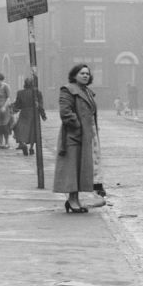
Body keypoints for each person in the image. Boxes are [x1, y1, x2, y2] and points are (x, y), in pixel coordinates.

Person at [54, 64, 102, 213]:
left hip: (88, 135)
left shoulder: (87, 92)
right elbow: (65, 112)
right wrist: (78, 126)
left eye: (87, 73)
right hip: (73, 135)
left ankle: (75, 199)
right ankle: (72, 200)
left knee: (82, 168)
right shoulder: (67, 90)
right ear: (74, 75)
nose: (85, 76)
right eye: (82, 73)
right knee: (72, 168)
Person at [11, 77, 46, 156]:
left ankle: (23, 143)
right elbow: (40, 105)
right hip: (34, 114)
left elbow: (18, 104)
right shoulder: (37, 93)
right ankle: (31, 148)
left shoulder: (20, 93)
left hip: (24, 113)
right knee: (33, 131)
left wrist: (13, 108)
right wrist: (43, 115)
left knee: (20, 129)